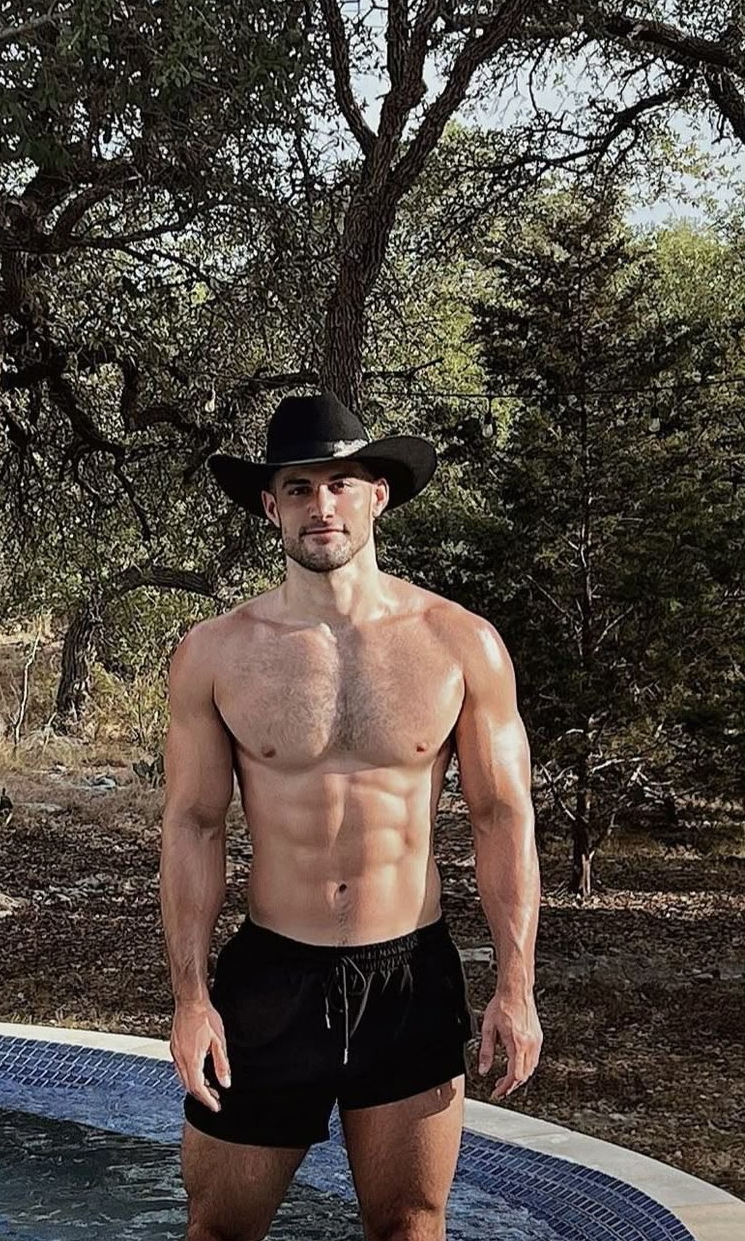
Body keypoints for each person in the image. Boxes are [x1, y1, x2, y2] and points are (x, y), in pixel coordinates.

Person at [160, 391, 542, 1241]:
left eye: (340, 484)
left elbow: (501, 817)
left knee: (409, 1225)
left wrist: (515, 986)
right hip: (272, 980)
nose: (321, 505)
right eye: (298, 488)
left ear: (378, 495)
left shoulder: (459, 643)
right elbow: (193, 825)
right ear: (271, 507)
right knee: (218, 1229)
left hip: (409, 979)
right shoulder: (215, 653)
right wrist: (190, 998)